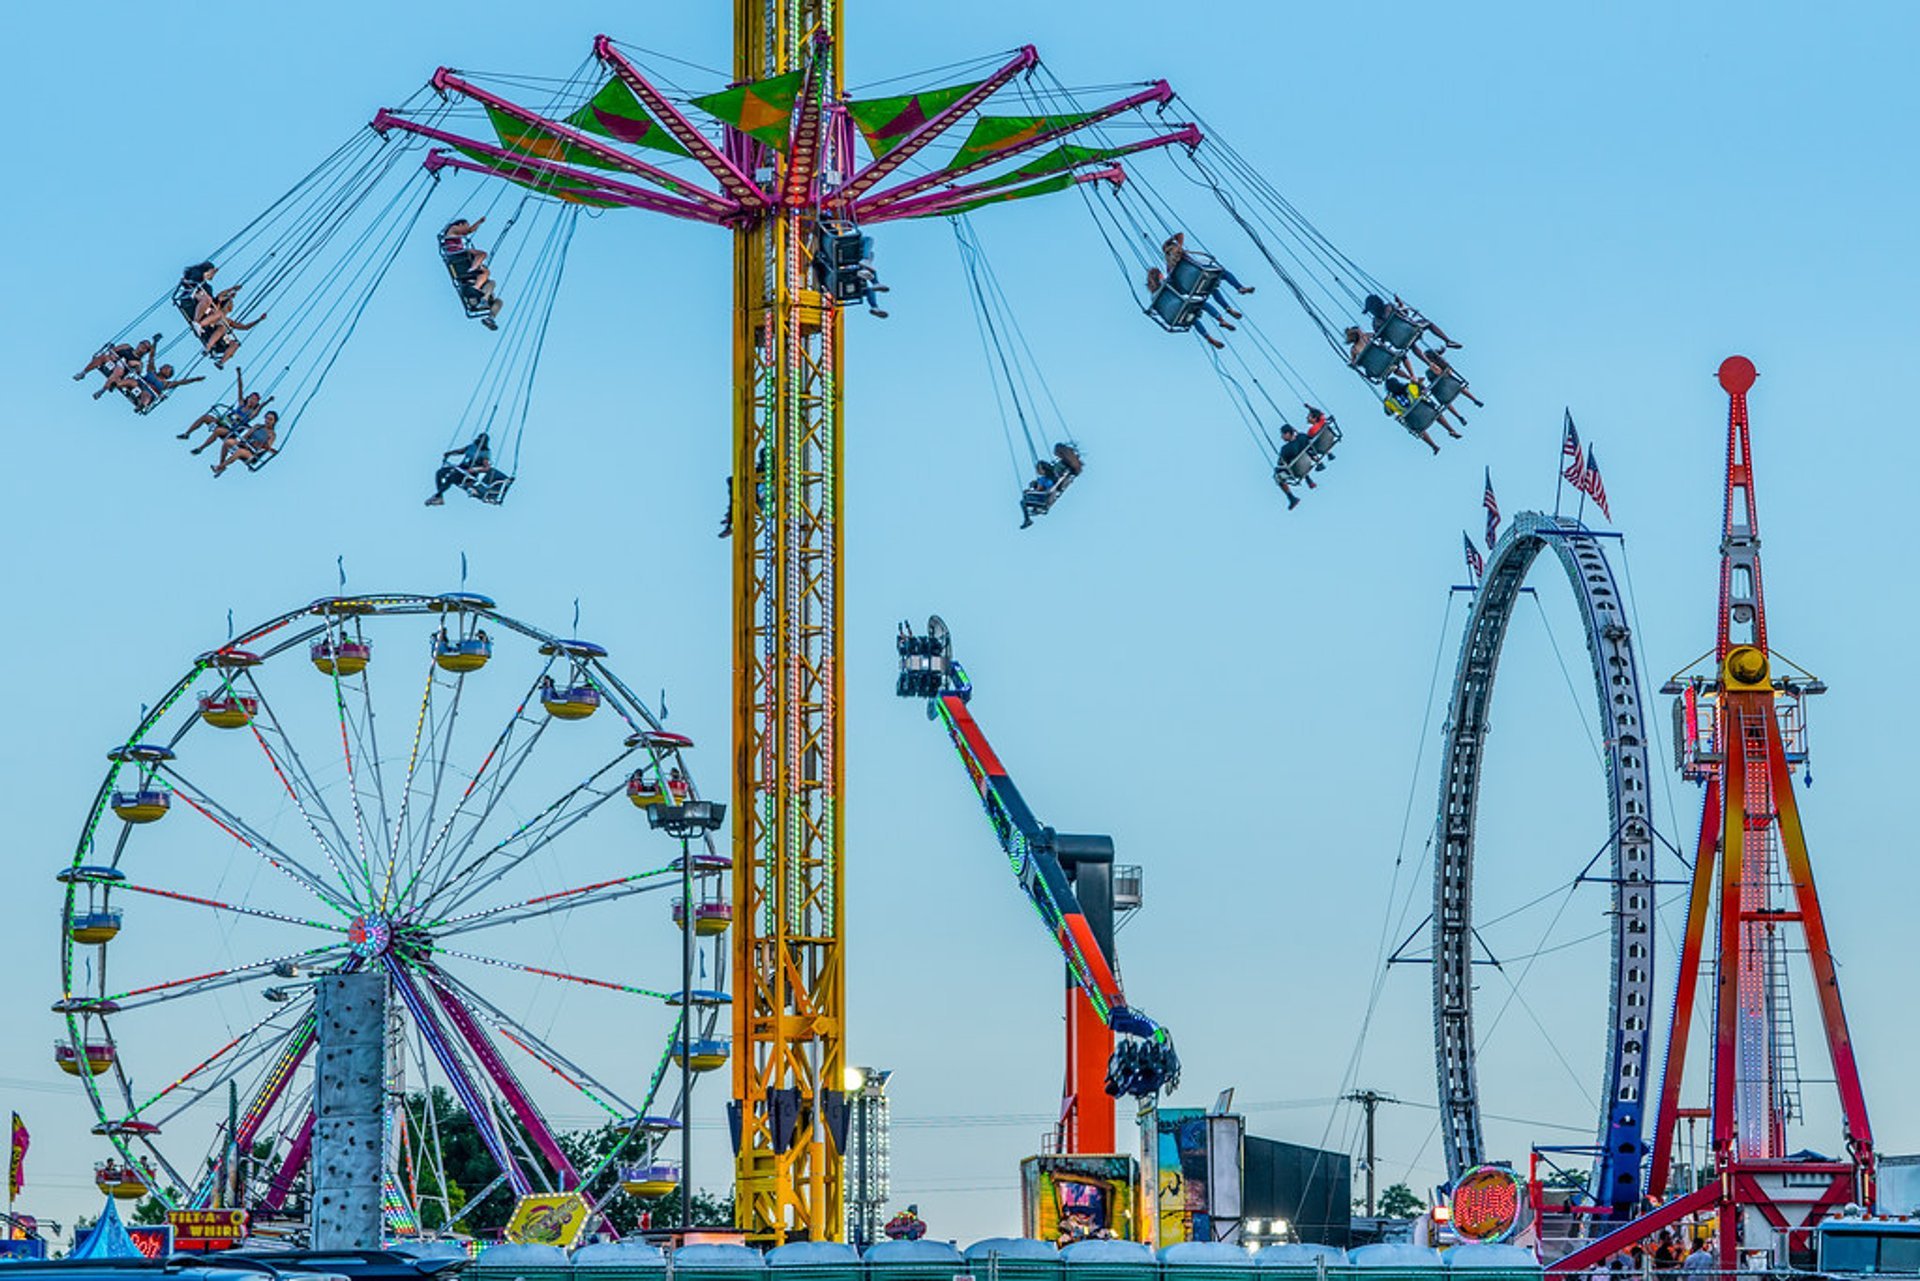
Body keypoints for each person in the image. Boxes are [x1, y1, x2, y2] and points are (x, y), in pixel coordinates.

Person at [1146, 267, 1229, 349]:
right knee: (1203, 304)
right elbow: (1179, 284)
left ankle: (1208, 337)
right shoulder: (1166, 283)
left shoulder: (1153, 297)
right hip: (1181, 306)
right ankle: (1221, 320)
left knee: (1193, 319)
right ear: (1160, 276)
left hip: (1172, 317)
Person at [1162, 232, 1255, 295]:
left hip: (1190, 286)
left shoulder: (1169, 267)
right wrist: (1170, 241)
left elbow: (1172, 281)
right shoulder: (1182, 254)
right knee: (1224, 273)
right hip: (1199, 273)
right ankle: (1239, 288)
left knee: (1212, 289)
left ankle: (1227, 310)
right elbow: (1180, 235)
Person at [426, 433, 492, 506]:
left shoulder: (485, 453)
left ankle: (438, 496)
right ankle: (440, 496)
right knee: (440, 473)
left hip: (469, 474)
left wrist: (473, 470)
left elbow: (486, 468)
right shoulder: (472, 446)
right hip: (461, 468)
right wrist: (450, 453)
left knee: (451, 478)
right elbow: (461, 451)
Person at [211, 411, 277, 475]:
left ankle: (219, 467)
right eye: (267, 418)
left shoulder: (272, 434)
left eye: (270, 420)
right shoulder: (258, 426)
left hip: (252, 452)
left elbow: (267, 447)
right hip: (245, 444)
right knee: (228, 442)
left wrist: (263, 444)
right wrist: (243, 442)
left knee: (240, 452)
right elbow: (247, 435)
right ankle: (222, 463)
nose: (267, 421)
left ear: (273, 422)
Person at [76, 334, 161, 384]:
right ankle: (83, 373)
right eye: (142, 344)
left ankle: (105, 388)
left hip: (120, 371)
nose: (142, 347)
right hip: (112, 361)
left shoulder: (139, 362)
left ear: (146, 351)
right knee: (102, 357)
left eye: (145, 348)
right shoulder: (127, 346)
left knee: (119, 372)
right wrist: (113, 355)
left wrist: (155, 342)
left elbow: (138, 373)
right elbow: (113, 350)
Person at [1272, 425, 1318, 510]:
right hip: (1308, 462)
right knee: (1300, 456)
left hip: (1297, 470)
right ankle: (1309, 480)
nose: (1281, 437)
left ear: (1288, 433)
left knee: (1277, 475)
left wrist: (1277, 469)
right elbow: (1308, 440)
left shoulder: (1285, 449)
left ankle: (1291, 498)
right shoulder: (1302, 437)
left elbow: (1281, 464)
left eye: (1283, 434)